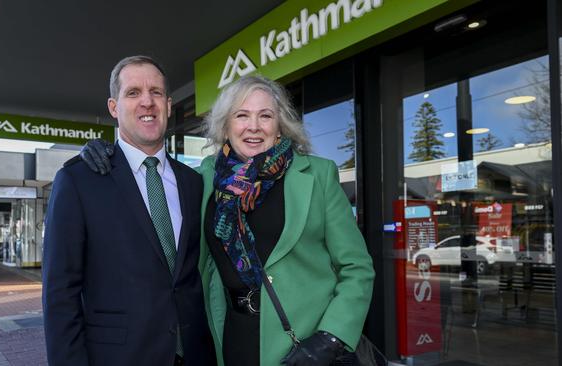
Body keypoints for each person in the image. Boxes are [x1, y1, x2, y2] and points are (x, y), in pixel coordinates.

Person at [81, 75, 375, 366]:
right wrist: (108, 154)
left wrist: (330, 337)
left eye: (266, 116)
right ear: (226, 124)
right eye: (242, 115)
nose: (254, 126)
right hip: (233, 341)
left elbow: (357, 267)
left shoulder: (317, 175)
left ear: (280, 125)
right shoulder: (206, 177)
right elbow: (149, 185)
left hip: (306, 347)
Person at [42, 55, 215, 366]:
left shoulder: (193, 182)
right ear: (113, 107)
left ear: (169, 104)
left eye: (156, 93)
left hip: (195, 354)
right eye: (133, 93)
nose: (147, 102)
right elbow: (60, 295)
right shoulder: (78, 181)